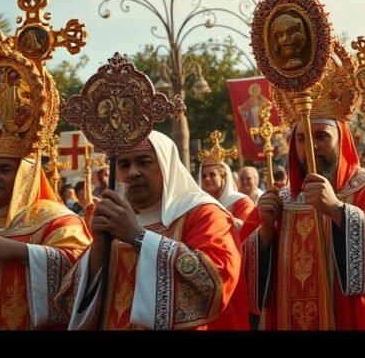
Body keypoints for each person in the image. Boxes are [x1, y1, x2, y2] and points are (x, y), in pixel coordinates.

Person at [243, 43, 365, 330]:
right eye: (302, 139)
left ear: (342, 140)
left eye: (322, 136)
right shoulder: (282, 200)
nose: (311, 147)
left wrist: (338, 211)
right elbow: (244, 273)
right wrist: (264, 229)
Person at [66, 131, 246, 330]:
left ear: (166, 166)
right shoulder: (115, 219)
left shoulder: (205, 214)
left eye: (144, 162)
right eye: (124, 165)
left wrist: (139, 237)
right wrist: (99, 248)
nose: (132, 172)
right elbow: (70, 302)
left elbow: (215, 281)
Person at [0, 49, 91, 330]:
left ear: (25, 174)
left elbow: (85, 270)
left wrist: (21, 251)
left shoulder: (57, 222)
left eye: (5, 169)